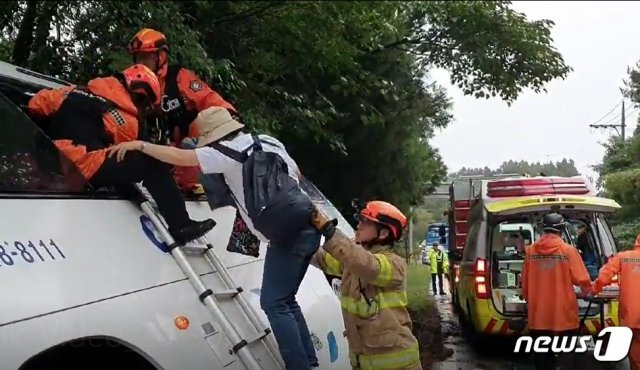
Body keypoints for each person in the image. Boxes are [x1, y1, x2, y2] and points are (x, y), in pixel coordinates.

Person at [106, 106, 321, 370]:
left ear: (212, 136)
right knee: (285, 299)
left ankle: (300, 367)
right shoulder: (269, 140)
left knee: (273, 302)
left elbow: (178, 156)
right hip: (309, 223)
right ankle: (309, 361)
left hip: (284, 236)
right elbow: (296, 174)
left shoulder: (222, 153)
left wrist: (141, 145)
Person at [27, 64, 215, 245]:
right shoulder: (124, 118)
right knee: (151, 161)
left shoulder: (68, 92)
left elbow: (35, 105)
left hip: (45, 165)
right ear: (142, 98)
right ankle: (181, 225)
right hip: (80, 167)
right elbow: (130, 150)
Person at [309, 200, 422, 370]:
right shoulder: (352, 264)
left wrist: (329, 230)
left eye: (365, 222)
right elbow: (321, 258)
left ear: (383, 233)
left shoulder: (394, 265)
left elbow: (367, 265)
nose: (358, 225)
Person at [127, 27, 236, 196]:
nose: (140, 64)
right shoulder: (132, 85)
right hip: (155, 148)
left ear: (160, 57)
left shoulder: (180, 78)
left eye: (145, 58)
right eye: (138, 58)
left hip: (185, 150)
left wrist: (230, 116)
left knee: (190, 140)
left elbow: (209, 99)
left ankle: (194, 187)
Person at [521, 212, 592, 370]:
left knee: (542, 355)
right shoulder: (568, 251)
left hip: (538, 313)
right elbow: (582, 279)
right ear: (561, 230)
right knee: (566, 352)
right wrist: (590, 291)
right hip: (563, 313)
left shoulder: (531, 251)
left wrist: (528, 301)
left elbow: (524, 283)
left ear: (543, 230)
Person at [591, 233, 640, 370]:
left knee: (635, 347)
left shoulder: (624, 257)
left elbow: (603, 277)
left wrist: (593, 290)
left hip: (631, 313)